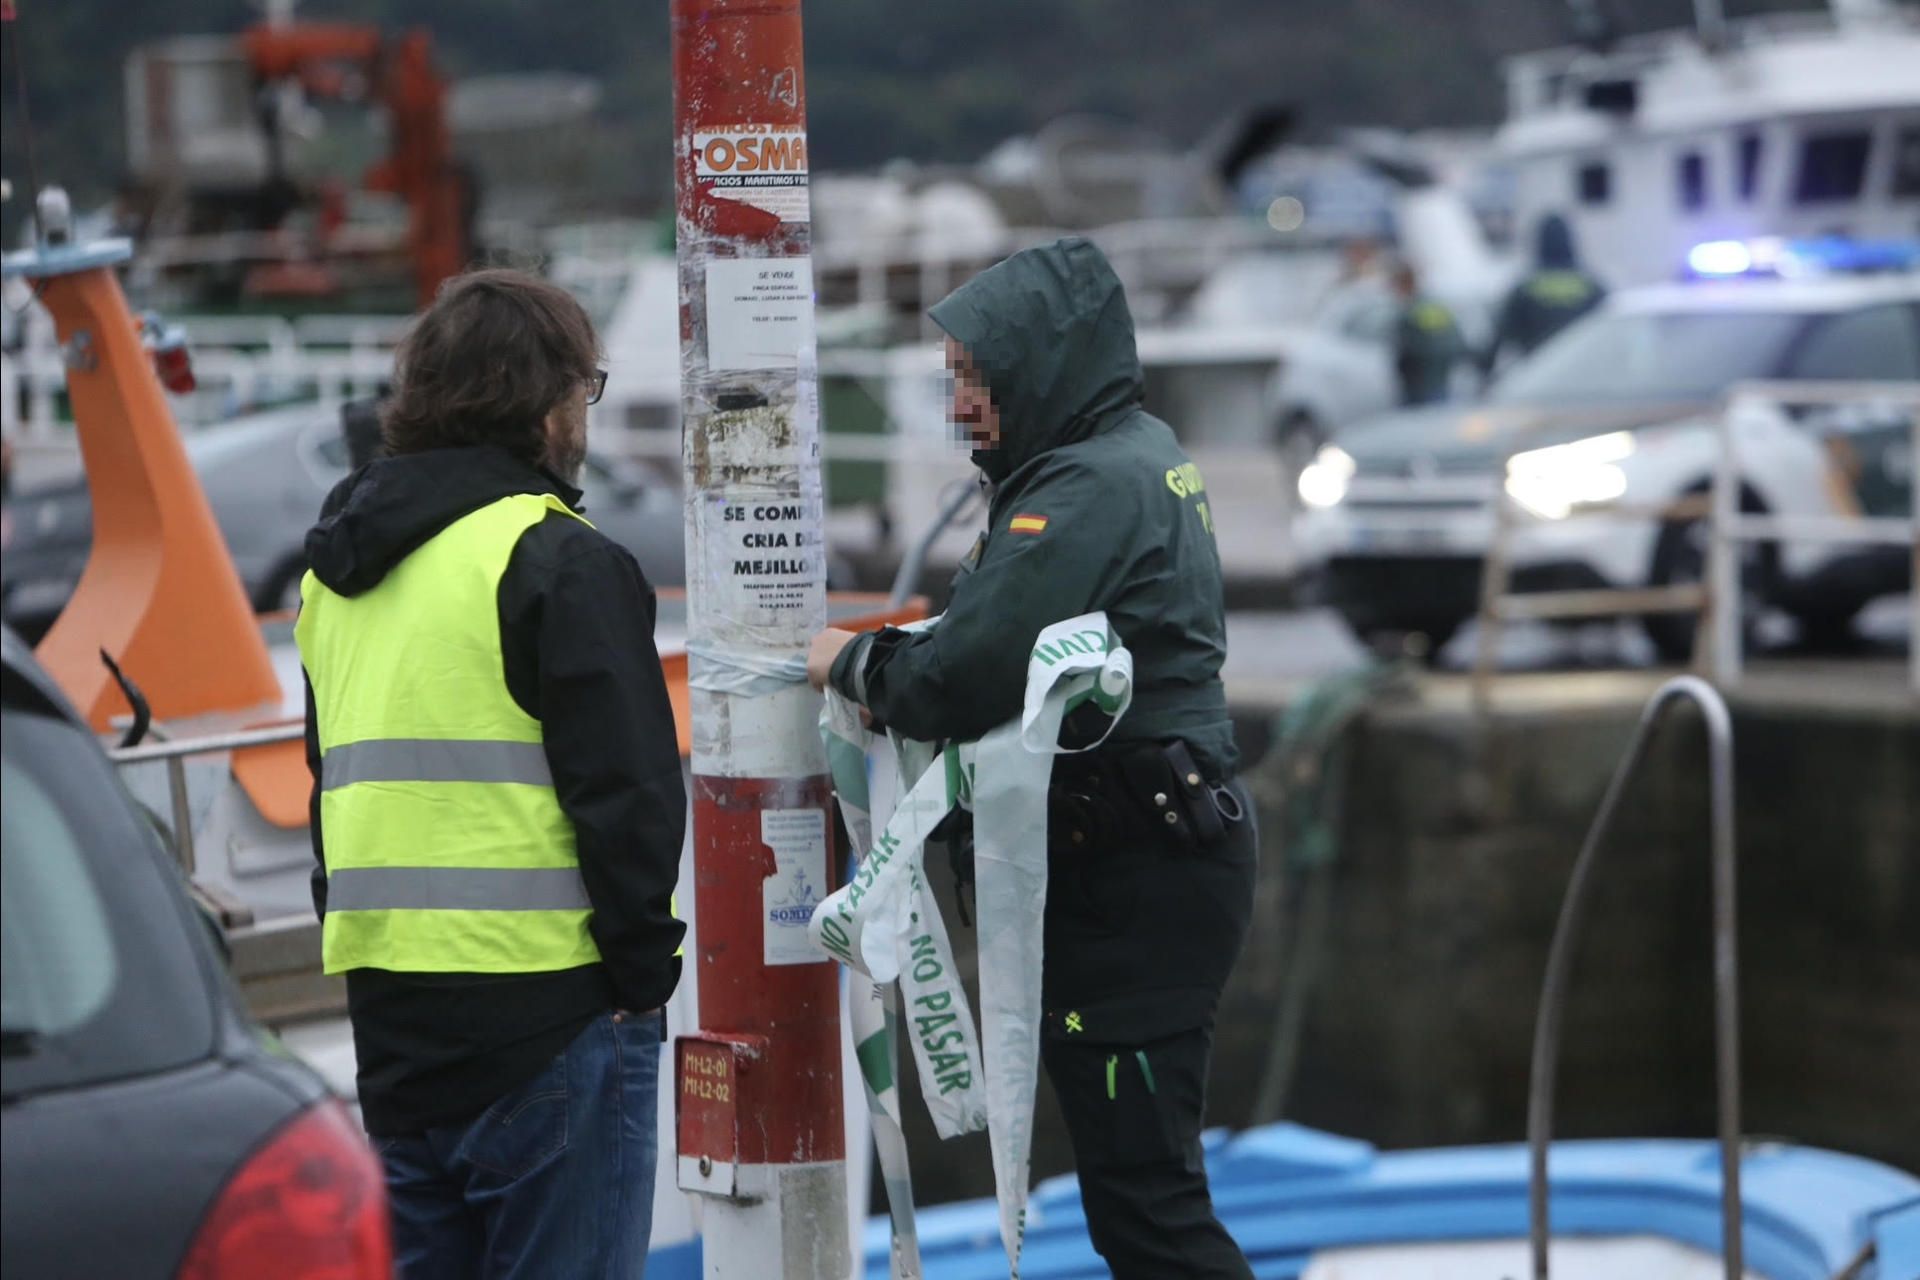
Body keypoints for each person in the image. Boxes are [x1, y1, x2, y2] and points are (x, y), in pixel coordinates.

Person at [806, 237, 1257, 1279]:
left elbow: (959, 674)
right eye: (954, 376)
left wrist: (845, 661)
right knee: (1141, 1195)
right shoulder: (1130, 455)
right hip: (1149, 857)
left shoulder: (1086, 489)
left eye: (978, 377)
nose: (961, 403)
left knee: (1149, 1206)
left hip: (1134, 871)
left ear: (1043, 367)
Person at [296, 268, 685, 1279]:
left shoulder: (336, 574)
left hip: (394, 1031)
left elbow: (327, 789)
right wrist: (641, 985)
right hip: (548, 1020)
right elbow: (631, 801)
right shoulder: (554, 557)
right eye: (583, 387)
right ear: (544, 402)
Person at [1482, 212, 1606, 375]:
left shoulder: (1524, 290)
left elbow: (1497, 340)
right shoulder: (1593, 288)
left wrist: (1483, 370)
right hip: (1585, 379)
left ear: (1539, 243)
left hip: (1540, 381)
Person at [1390, 259, 1466, 407]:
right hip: (1440, 377)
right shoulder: (1434, 306)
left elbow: (1410, 347)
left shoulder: (1411, 311)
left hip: (1420, 381)